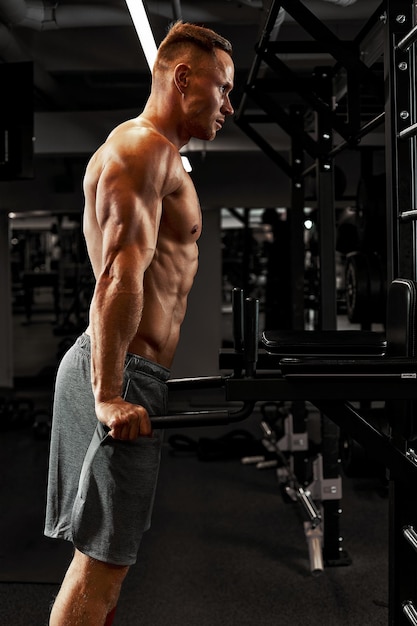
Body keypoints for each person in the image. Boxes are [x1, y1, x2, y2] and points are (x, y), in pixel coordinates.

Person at [44, 20, 234, 626]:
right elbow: (119, 275)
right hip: (117, 373)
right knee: (100, 568)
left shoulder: (154, 153)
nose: (229, 104)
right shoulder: (143, 148)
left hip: (126, 369)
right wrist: (107, 394)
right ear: (183, 78)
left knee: (108, 564)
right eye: (223, 88)